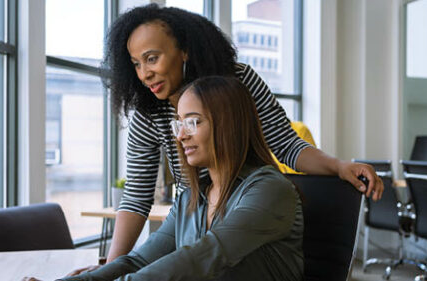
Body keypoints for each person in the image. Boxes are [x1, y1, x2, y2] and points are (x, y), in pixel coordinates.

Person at [71, 4, 383, 274]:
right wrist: (110, 268)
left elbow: (286, 144)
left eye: (152, 59)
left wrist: (337, 166)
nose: (144, 74)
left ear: (184, 51)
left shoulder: (239, 82)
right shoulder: (148, 112)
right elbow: (137, 196)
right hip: (197, 214)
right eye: (136, 64)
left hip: (246, 212)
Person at [52, 76, 303, 280]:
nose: (180, 135)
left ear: (228, 124)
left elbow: (203, 258)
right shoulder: (190, 199)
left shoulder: (270, 190)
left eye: (193, 122)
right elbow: (139, 260)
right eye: (178, 124)